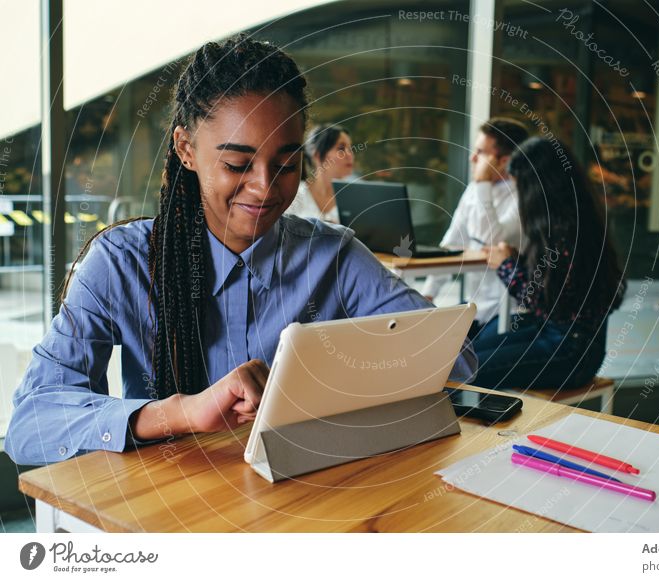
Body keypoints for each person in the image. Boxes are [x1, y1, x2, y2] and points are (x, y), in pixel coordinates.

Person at [6, 35, 476, 466]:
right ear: (186, 150)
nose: (265, 187)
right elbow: (31, 424)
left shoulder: (332, 255)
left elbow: (452, 360)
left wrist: (332, 377)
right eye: (237, 163)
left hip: (305, 501)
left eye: (287, 164)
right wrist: (182, 412)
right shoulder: (120, 263)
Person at [472, 136, 626, 391]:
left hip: (571, 354)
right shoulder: (575, 222)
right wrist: (516, 260)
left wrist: (505, 266)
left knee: (466, 371)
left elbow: (542, 303)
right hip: (559, 338)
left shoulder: (565, 232)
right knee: (464, 361)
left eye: (520, 188)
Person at [422, 117, 529, 329]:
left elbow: (488, 239)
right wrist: (429, 293)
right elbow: (453, 242)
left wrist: (483, 183)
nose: (472, 158)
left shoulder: (524, 196)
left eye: (480, 152)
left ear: (504, 160)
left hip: (509, 312)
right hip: (474, 307)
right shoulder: (474, 189)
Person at [286, 123, 354, 223]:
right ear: (317, 155)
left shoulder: (355, 198)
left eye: (350, 149)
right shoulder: (294, 195)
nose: (350, 155)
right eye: (341, 148)